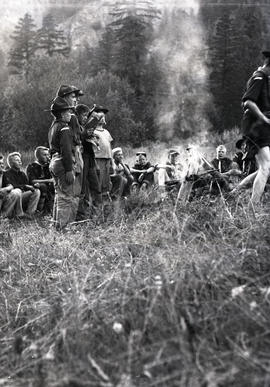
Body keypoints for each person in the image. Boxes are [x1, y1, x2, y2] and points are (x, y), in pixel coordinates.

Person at [234, 49, 270, 205]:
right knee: (265, 167)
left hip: (263, 127)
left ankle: (234, 192)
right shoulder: (259, 77)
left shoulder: (266, 79)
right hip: (255, 127)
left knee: (265, 167)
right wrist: (263, 118)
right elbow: (247, 101)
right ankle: (252, 209)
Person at [48, 96, 81, 230]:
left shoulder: (53, 127)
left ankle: (55, 224)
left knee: (59, 194)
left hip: (54, 161)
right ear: (62, 114)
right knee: (66, 196)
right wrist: (69, 169)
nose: (70, 114)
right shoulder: (64, 128)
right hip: (63, 163)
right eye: (68, 112)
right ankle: (64, 227)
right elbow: (66, 150)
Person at [76, 104, 102, 212]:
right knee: (82, 186)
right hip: (82, 158)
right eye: (84, 115)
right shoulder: (75, 126)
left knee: (95, 184)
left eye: (87, 115)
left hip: (90, 157)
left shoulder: (83, 125)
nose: (86, 118)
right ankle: (83, 212)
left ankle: (98, 210)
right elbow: (81, 136)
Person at [4, 153, 40, 218]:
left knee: (36, 191)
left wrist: (34, 185)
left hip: (21, 197)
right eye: (17, 160)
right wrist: (25, 186)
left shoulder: (22, 174)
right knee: (17, 191)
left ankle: (30, 213)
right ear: (11, 163)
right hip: (12, 198)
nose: (20, 161)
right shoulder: (6, 173)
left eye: (20, 160)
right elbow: (11, 187)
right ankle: (19, 214)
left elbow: (27, 185)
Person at [92, 105, 113, 199]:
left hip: (107, 159)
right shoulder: (93, 131)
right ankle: (97, 201)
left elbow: (109, 146)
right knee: (98, 180)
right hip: (98, 159)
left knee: (106, 181)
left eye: (103, 117)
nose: (102, 119)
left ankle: (105, 201)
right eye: (100, 117)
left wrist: (112, 161)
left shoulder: (106, 132)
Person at [26, 147, 54, 214]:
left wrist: (52, 165)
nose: (47, 157)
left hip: (49, 186)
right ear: (38, 156)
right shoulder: (32, 166)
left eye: (48, 155)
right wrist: (48, 180)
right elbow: (32, 181)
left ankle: (50, 208)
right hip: (36, 187)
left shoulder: (48, 165)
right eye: (44, 155)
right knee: (43, 186)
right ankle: (39, 209)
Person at [0, 155, 22, 219]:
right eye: (0, 164)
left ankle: (4, 216)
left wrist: (4, 189)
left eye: (2, 163)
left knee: (16, 191)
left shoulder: (3, 174)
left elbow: (10, 186)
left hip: (1, 196)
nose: (2, 165)